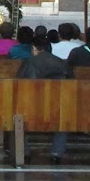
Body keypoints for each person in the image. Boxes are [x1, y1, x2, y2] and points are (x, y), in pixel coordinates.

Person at [17, 35, 73, 163]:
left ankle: (24, 153)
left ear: (34, 48)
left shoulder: (29, 62)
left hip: (30, 106)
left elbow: (19, 83)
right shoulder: (62, 63)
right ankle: (56, 154)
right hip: (58, 106)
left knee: (16, 116)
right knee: (63, 119)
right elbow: (71, 85)